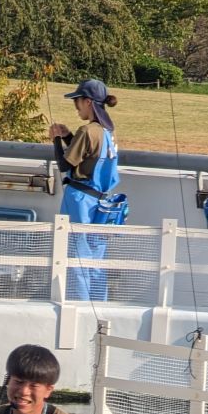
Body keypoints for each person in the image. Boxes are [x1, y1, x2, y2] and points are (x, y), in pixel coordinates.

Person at [49, 78, 128, 302]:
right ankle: (98, 305)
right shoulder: (107, 131)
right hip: (102, 204)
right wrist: (67, 137)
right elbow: (90, 156)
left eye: (78, 101)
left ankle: (81, 307)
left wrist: (55, 140)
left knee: (78, 258)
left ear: (88, 102)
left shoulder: (86, 130)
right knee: (96, 260)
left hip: (81, 200)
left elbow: (66, 165)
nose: (76, 106)